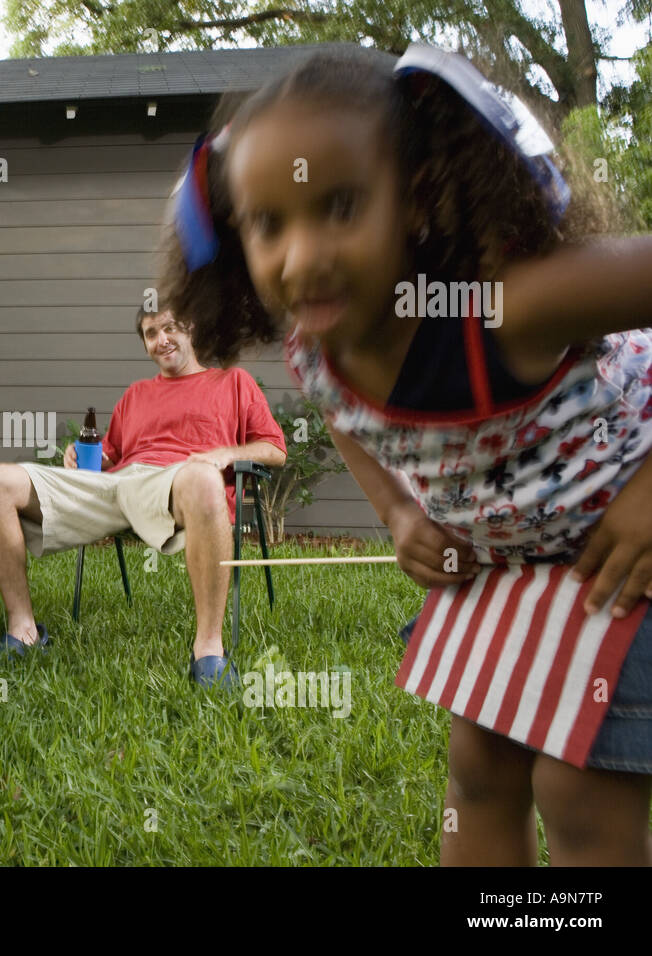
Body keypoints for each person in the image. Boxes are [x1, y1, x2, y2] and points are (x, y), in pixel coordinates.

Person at [159, 46, 652, 864]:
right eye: (269, 224)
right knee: (479, 769)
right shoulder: (317, 347)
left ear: (417, 196)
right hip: (502, 560)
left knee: (580, 786)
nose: (302, 255)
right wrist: (396, 512)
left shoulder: (505, 308)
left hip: (619, 547)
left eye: (341, 206)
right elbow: (352, 420)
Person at [0, 307, 286, 687]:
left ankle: (208, 652)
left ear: (192, 329)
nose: (161, 340)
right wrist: (87, 455)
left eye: (169, 328)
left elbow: (275, 449)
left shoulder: (233, 382)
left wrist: (226, 454)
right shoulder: (136, 394)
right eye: (151, 333)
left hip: (178, 483)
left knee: (203, 477)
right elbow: (112, 456)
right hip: (118, 486)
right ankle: (23, 631)